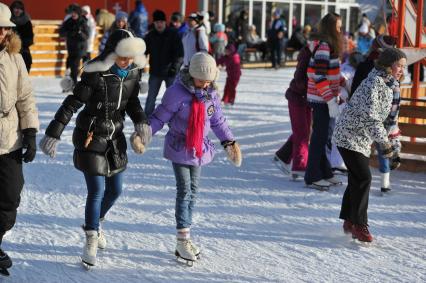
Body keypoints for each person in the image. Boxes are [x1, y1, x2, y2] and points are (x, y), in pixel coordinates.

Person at [39, 29, 149, 267]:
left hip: (114, 139)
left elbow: (132, 102)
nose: (126, 60)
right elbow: (72, 103)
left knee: (116, 190)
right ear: (112, 52)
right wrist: (53, 133)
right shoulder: (95, 73)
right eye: (122, 55)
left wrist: (141, 121)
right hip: (90, 137)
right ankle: (90, 237)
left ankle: (96, 223)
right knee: (97, 190)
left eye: (130, 56)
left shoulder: (133, 72)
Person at [134, 52, 241, 264]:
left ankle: (185, 234)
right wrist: (142, 136)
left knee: (193, 191)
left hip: (199, 149)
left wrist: (229, 142)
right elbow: (160, 116)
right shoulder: (176, 93)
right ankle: (182, 240)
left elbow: (218, 121)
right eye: (201, 80)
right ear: (192, 74)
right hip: (180, 146)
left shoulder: (210, 95)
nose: (205, 84)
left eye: (209, 80)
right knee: (184, 190)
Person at [333, 48, 406, 242]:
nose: (401, 69)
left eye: (403, 66)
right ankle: (359, 225)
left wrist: (393, 147)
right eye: (398, 65)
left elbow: (391, 122)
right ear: (388, 64)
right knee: (363, 177)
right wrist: (385, 146)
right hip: (348, 135)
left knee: (358, 177)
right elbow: (372, 119)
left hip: (361, 139)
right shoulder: (374, 83)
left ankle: (350, 220)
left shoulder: (393, 86)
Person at [0, 2, 39, 272]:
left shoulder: (14, 56)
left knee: (10, 196)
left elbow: (25, 96)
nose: (2, 33)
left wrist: (31, 131)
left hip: (8, 138)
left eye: (5, 28)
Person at [350, 35, 400, 193]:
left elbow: (355, 90)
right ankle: (384, 183)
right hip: (378, 115)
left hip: (367, 113)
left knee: (364, 146)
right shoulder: (388, 69)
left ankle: (367, 179)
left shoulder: (366, 65)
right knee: (380, 146)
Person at [304, 12, 344, 189]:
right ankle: (312, 175)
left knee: (326, 137)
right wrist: (330, 101)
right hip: (320, 99)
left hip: (326, 98)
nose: (340, 30)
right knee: (320, 138)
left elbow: (331, 72)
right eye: (338, 27)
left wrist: (344, 83)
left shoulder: (329, 46)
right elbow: (318, 76)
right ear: (330, 28)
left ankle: (325, 171)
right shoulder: (323, 47)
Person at [272, 44, 315, 180]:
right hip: (298, 97)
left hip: (306, 99)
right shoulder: (308, 55)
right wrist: (311, 86)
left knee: (304, 131)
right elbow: (299, 77)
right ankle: (299, 166)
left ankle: (282, 156)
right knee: (302, 133)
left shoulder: (316, 54)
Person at [144, 10, 184, 116]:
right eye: (157, 22)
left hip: (170, 72)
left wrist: (175, 68)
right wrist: (139, 65)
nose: (159, 24)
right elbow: (143, 52)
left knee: (174, 98)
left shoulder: (173, 34)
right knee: (151, 98)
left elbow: (180, 53)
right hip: (155, 72)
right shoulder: (150, 36)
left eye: (161, 22)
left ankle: (176, 120)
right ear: (154, 23)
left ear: (165, 22)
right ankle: (146, 120)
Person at [59, 5, 89, 86]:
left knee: (74, 65)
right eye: (72, 13)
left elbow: (86, 36)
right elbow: (61, 32)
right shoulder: (69, 21)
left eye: (75, 13)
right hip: (71, 47)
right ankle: (72, 83)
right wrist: (68, 33)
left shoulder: (83, 21)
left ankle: (75, 84)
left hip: (80, 48)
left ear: (78, 13)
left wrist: (79, 33)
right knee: (72, 66)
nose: (73, 14)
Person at [9, 0, 33, 72]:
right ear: (12, 9)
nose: (18, 10)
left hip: (23, 52)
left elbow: (30, 39)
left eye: (20, 9)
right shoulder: (7, 21)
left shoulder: (26, 22)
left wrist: (18, 44)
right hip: (8, 52)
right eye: (16, 8)